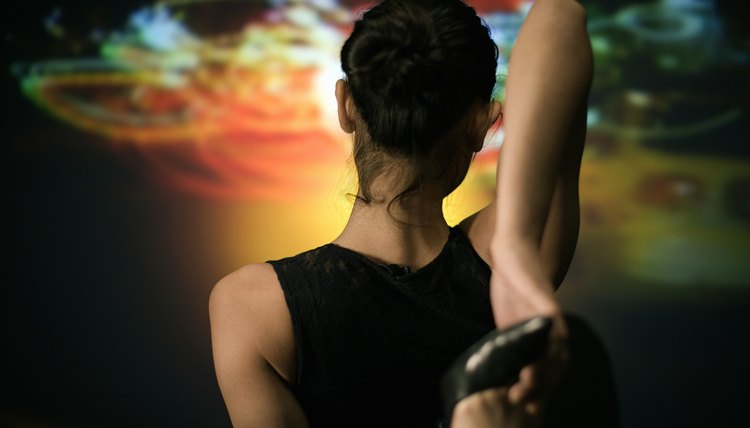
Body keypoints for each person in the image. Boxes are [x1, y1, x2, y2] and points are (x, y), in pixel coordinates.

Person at [209, 0, 615, 427]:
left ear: (346, 103)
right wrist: (515, 246)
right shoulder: (506, 261)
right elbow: (562, 14)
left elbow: (561, 17)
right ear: (484, 125)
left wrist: (513, 249)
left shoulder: (251, 307)